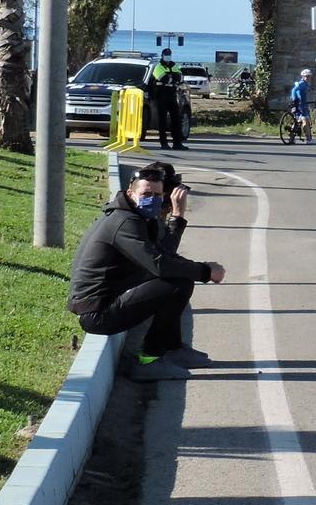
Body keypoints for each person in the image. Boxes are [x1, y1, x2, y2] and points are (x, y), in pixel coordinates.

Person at [67, 159, 225, 381]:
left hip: (108, 301)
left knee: (179, 278)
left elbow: (165, 255)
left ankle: (172, 348)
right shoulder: (124, 222)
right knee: (176, 283)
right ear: (131, 193)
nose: (153, 199)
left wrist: (177, 217)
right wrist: (206, 272)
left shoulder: (138, 217)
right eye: (147, 193)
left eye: (158, 195)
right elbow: (159, 265)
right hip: (98, 314)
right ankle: (148, 360)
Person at [147, 48, 184, 149]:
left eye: (169, 54)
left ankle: (177, 143)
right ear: (162, 55)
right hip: (161, 95)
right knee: (162, 121)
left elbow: (180, 78)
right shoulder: (158, 67)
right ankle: (164, 143)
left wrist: (172, 78)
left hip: (172, 95)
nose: (168, 56)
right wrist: (172, 78)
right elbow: (164, 79)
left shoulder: (174, 65)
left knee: (176, 119)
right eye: (166, 54)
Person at [287, 68, 312, 136]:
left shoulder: (305, 84)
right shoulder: (301, 83)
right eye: (306, 76)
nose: (307, 78)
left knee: (298, 121)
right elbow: (293, 90)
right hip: (300, 105)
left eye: (309, 76)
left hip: (302, 104)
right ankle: (309, 139)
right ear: (302, 76)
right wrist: (294, 100)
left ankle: (291, 137)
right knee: (305, 121)